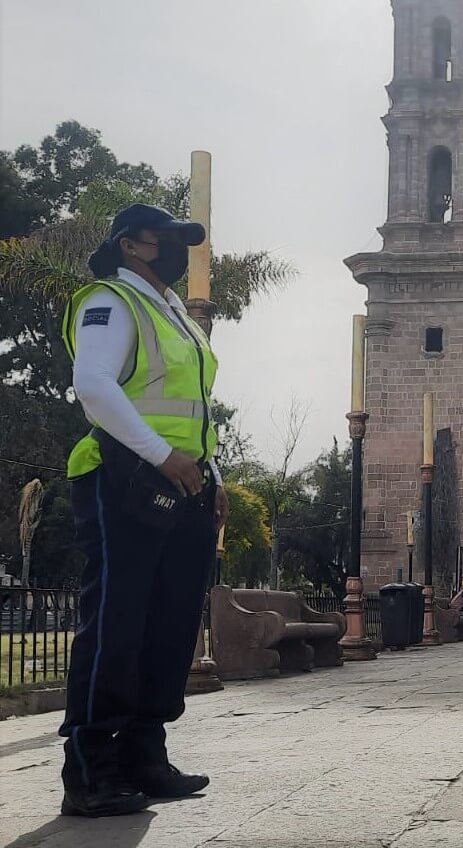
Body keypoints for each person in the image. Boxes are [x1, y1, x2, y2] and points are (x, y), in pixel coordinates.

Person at [57, 204, 226, 818]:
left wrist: (213, 473)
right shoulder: (111, 302)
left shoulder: (171, 311)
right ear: (132, 245)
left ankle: (144, 754)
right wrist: (162, 456)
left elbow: (192, 406)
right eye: (171, 241)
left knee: (170, 623)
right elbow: (95, 385)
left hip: (183, 482)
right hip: (123, 478)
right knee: (117, 623)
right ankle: (91, 766)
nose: (180, 251)